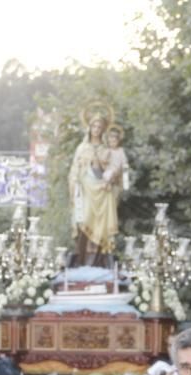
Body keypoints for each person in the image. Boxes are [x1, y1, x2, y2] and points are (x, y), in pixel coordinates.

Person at [68, 111, 119, 266]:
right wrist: (75, 183)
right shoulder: (82, 148)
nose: (96, 129)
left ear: (103, 129)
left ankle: (100, 259)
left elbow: (114, 171)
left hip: (102, 192)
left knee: (101, 225)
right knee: (85, 219)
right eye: (94, 126)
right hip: (85, 191)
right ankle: (83, 259)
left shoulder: (107, 150)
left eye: (99, 126)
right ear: (89, 128)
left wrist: (109, 178)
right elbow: (74, 171)